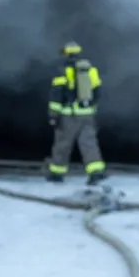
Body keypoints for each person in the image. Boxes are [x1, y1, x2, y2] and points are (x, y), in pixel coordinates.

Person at [47, 41, 105, 185]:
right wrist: (91, 108)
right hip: (87, 114)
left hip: (69, 115)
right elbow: (97, 92)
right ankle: (96, 172)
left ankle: (57, 174)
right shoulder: (91, 69)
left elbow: (57, 95)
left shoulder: (63, 70)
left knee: (63, 143)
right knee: (89, 143)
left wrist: (53, 115)